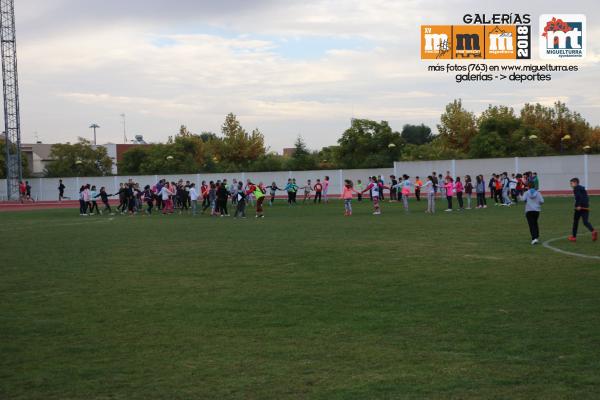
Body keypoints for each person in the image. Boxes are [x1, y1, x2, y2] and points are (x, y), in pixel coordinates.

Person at [568, 178, 598, 242]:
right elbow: (586, 198)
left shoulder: (576, 188)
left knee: (575, 222)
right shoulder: (582, 189)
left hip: (579, 208)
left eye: (571, 183)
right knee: (585, 221)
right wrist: (585, 205)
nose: (571, 185)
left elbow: (579, 197)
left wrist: (578, 205)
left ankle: (574, 237)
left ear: (575, 183)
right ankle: (593, 231)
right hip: (585, 207)